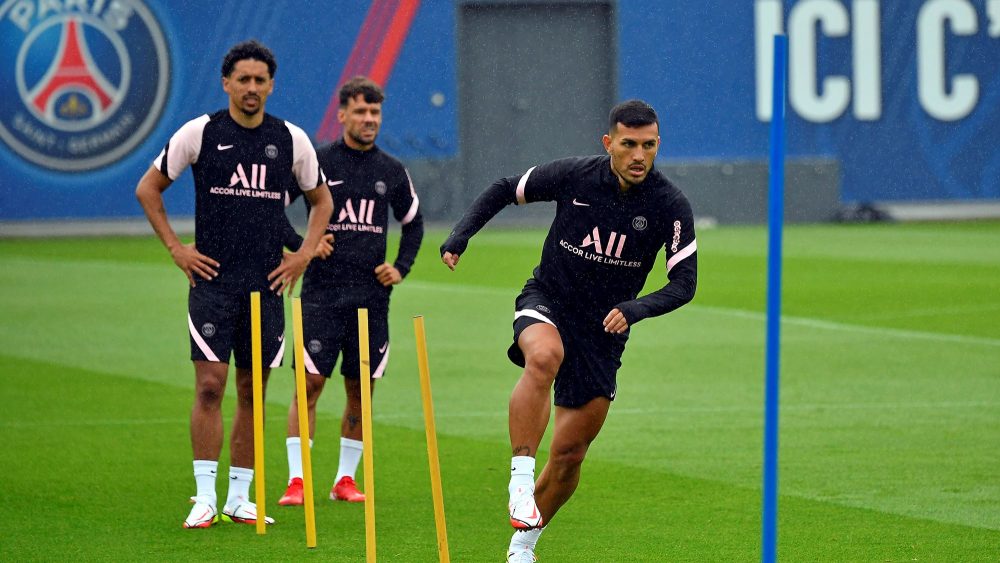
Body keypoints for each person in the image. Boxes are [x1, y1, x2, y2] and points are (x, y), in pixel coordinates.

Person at [440, 100, 698, 562]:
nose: (639, 155)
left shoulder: (670, 205)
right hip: (549, 301)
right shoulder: (575, 175)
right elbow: (505, 188)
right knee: (543, 357)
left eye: (649, 145)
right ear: (609, 143)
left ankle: (522, 547)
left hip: (604, 331)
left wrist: (635, 309)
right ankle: (519, 482)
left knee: (570, 456)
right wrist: (460, 236)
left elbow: (684, 284)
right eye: (629, 144)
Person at [134, 40, 333, 529]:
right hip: (213, 283)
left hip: (266, 287)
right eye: (241, 79)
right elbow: (148, 189)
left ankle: (240, 497)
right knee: (209, 386)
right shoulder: (201, 132)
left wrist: (303, 255)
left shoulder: (291, 139)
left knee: (251, 390)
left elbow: (322, 202)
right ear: (226, 83)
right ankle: (204, 495)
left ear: (270, 85)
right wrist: (177, 250)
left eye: (259, 80)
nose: (250, 88)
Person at [277, 76, 424, 506]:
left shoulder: (392, 171)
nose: (368, 120)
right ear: (342, 114)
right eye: (360, 111)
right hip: (321, 293)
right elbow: (274, 204)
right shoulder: (318, 163)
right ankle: (297, 480)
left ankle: (345, 480)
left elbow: (413, 221)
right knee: (310, 384)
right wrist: (302, 246)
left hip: (371, 299)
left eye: (375, 112)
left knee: (361, 390)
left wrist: (400, 267)